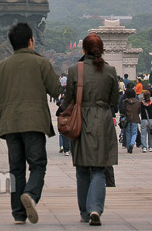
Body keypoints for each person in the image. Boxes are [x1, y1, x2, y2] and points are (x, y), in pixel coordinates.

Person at [0, 23, 60, 225]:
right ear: (31, 40)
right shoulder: (41, 63)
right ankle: (31, 194)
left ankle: (18, 214)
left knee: (16, 168)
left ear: (11, 43)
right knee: (38, 164)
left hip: (10, 123)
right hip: (34, 122)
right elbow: (56, 90)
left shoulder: (2, 66)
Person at [61, 33, 119, 227]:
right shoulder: (110, 71)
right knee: (98, 170)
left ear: (83, 50)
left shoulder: (74, 70)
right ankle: (95, 208)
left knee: (82, 170)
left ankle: (85, 212)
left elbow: (69, 99)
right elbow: (113, 101)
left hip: (81, 121)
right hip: (102, 121)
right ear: (102, 50)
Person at [120, 88, 141, 153]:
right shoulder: (138, 102)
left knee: (128, 133)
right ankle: (132, 144)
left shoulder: (125, 101)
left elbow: (122, 110)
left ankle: (128, 147)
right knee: (134, 132)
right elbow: (139, 110)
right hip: (135, 118)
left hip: (127, 119)